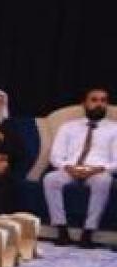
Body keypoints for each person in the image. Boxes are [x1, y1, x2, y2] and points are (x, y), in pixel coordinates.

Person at [40, 87, 112, 246]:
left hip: (98, 170)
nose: (99, 104)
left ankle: (88, 232)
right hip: (70, 169)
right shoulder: (68, 127)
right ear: (84, 104)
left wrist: (98, 169)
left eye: (103, 100)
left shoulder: (114, 129)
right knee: (50, 179)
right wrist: (68, 168)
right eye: (94, 100)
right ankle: (62, 230)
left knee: (104, 181)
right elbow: (55, 156)